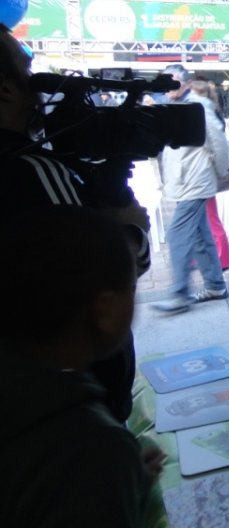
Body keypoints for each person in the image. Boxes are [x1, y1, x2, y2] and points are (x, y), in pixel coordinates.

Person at [0, 26, 150, 422]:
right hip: (73, 403)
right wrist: (133, 232)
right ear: (6, 89)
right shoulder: (31, 170)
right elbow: (103, 279)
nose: (38, 85)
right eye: (26, 69)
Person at [0, 206, 160, 526]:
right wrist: (123, 479)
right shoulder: (96, 450)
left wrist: (129, 477)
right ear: (105, 311)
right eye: (131, 288)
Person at [153, 65, 229, 314]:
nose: (166, 87)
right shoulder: (178, 106)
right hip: (186, 180)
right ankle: (215, 285)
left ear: (183, 83)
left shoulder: (197, 106)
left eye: (171, 81)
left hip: (195, 181)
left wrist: (220, 172)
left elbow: (218, 142)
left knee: (177, 234)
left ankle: (179, 294)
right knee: (199, 234)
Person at [192, 78, 229, 272]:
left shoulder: (208, 115)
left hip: (204, 171)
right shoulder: (209, 113)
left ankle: (223, 257)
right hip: (201, 170)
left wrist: (219, 168)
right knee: (203, 216)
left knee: (210, 215)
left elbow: (218, 144)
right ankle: (206, 256)